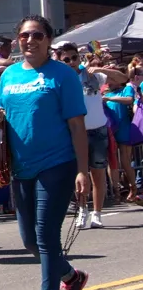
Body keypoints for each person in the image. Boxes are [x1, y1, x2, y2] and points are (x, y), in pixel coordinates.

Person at [0, 15, 91, 290]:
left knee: (47, 236)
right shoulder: (9, 75)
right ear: (17, 40)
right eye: (24, 35)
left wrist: (83, 170)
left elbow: (77, 126)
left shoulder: (63, 75)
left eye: (37, 35)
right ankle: (71, 277)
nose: (30, 40)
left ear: (48, 40)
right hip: (22, 168)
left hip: (57, 164)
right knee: (30, 241)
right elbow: (2, 113)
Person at [53, 42, 127, 229]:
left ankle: (97, 213)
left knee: (98, 174)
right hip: (75, 132)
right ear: (61, 62)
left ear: (79, 57)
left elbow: (123, 78)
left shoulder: (93, 76)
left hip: (98, 130)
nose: (71, 62)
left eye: (74, 57)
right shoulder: (61, 80)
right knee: (79, 174)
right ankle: (82, 210)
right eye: (66, 60)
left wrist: (100, 68)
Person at [103, 66, 141, 204]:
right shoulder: (104, 92)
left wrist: (110, 98)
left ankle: (133, 188)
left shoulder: (126, 89)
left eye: (111, 78)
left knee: (125, 161)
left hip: (124, 128)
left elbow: (129, 100)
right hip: (110, 130)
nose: (109, 81)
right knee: (112, 161)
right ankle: (116, 191)